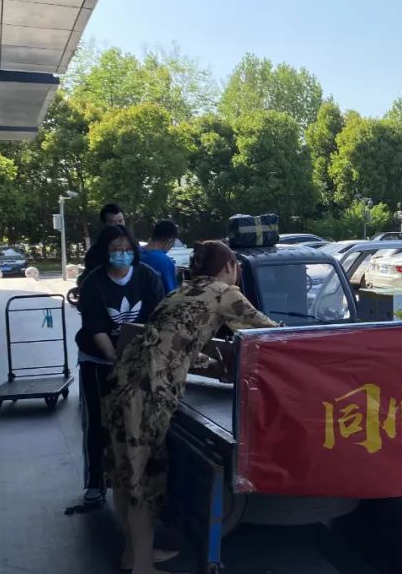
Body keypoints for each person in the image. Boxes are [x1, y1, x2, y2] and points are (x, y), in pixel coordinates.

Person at [104, 241, 279, 574]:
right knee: (143, 477)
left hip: (122, 382)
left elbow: (172, 341)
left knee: (126, 471)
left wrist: (210, 362)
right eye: (236, 266)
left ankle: (133, 553)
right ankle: (142, 567)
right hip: (148, 390)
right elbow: (270, 333)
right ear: (228, 266)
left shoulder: (182, 291)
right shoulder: (224, 292)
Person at [75, 225, 164, 508]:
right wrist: (113, 357)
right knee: (97, 422)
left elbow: (158, 318)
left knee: (135, 421)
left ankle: (135, 479)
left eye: (127, 249)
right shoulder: (93, 283)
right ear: (105, 252)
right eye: (115, 249)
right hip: (98, 361)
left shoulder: (148, 277)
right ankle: (95, 483)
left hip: (138, 360)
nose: (122, 254)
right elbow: (95, 326)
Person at [140, 220, 180, 294]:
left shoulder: (133, 253)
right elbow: (171, 294)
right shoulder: (165, 262)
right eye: (173, 242)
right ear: (170, 240)